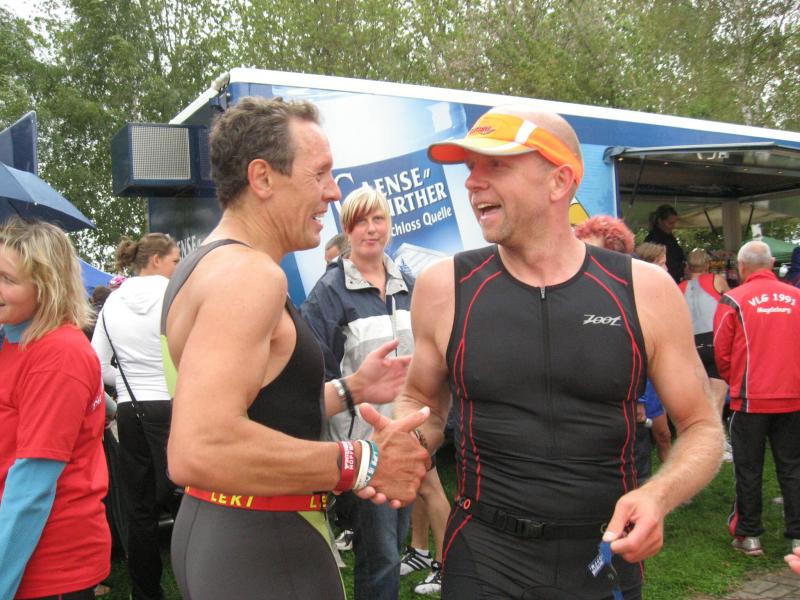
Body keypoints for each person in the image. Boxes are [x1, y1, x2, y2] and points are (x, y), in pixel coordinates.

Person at [395, 105, 724, 599]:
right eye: (470, 167)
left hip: (601, 556)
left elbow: (701, 426)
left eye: (495, 165)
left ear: (559, 181)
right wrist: (407, 440)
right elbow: (421, 401)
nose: (472, 182)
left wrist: (659, 494)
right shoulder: (446, 286)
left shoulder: (644, 289)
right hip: (484, 554)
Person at [161, 96, 430, 600]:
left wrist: (351, 389)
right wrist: (363, 461)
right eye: (320, 174)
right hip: (265, 543)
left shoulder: (201, 265)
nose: (334, 192)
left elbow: (258, 404)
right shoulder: (250, 275)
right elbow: (199, 446)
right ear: (262, 178)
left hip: (220, 529)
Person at [301, 185, 415, 600]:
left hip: (407, 441)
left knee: (393, 547)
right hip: (364, 450)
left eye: (378, 219)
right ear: (347, 230)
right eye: (360, 221)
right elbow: (315, 380)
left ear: (389, 224)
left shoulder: (409, 285)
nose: (371, 229)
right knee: (381, 556)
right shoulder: (329, 293)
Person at [0, 217, 110, 600]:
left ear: (46, 287)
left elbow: (32, 486)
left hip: (45, 564)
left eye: (7, 279)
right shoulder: (15, 338)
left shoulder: (57, 355)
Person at [91, 233, 181, 600]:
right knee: (191, 501)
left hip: (130, 411)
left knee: (139, 508)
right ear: (156, 260)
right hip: (175, 406)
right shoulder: (175, 294)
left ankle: (145, 591)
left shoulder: (111, 303)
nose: (178, 268)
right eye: (175, 260)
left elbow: (97, 366)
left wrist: (128, 378)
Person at [713, 240, 800, 557]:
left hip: (750, 399)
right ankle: (798, 538)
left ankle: (749, 536)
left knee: (748, 468)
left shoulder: (733, 299)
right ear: (772, 264)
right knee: (793, 467)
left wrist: (735, 380)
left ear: (741, 267)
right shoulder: (797, 297)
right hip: (793, 397)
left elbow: (721, 352)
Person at [679, 248, 730, 415]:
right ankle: (715, 430)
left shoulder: (679, 288)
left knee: (699, 400)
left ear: (688, 266)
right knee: (717, 400)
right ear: (708, 265)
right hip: (715, 342)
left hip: (691, 347)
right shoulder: (717, 280)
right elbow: (733, 306)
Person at [645, 204, 685, 284]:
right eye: (670, 223)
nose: (673, 226)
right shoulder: (652, 240)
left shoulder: (670, 238)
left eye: (674, 223)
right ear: (660, 221)